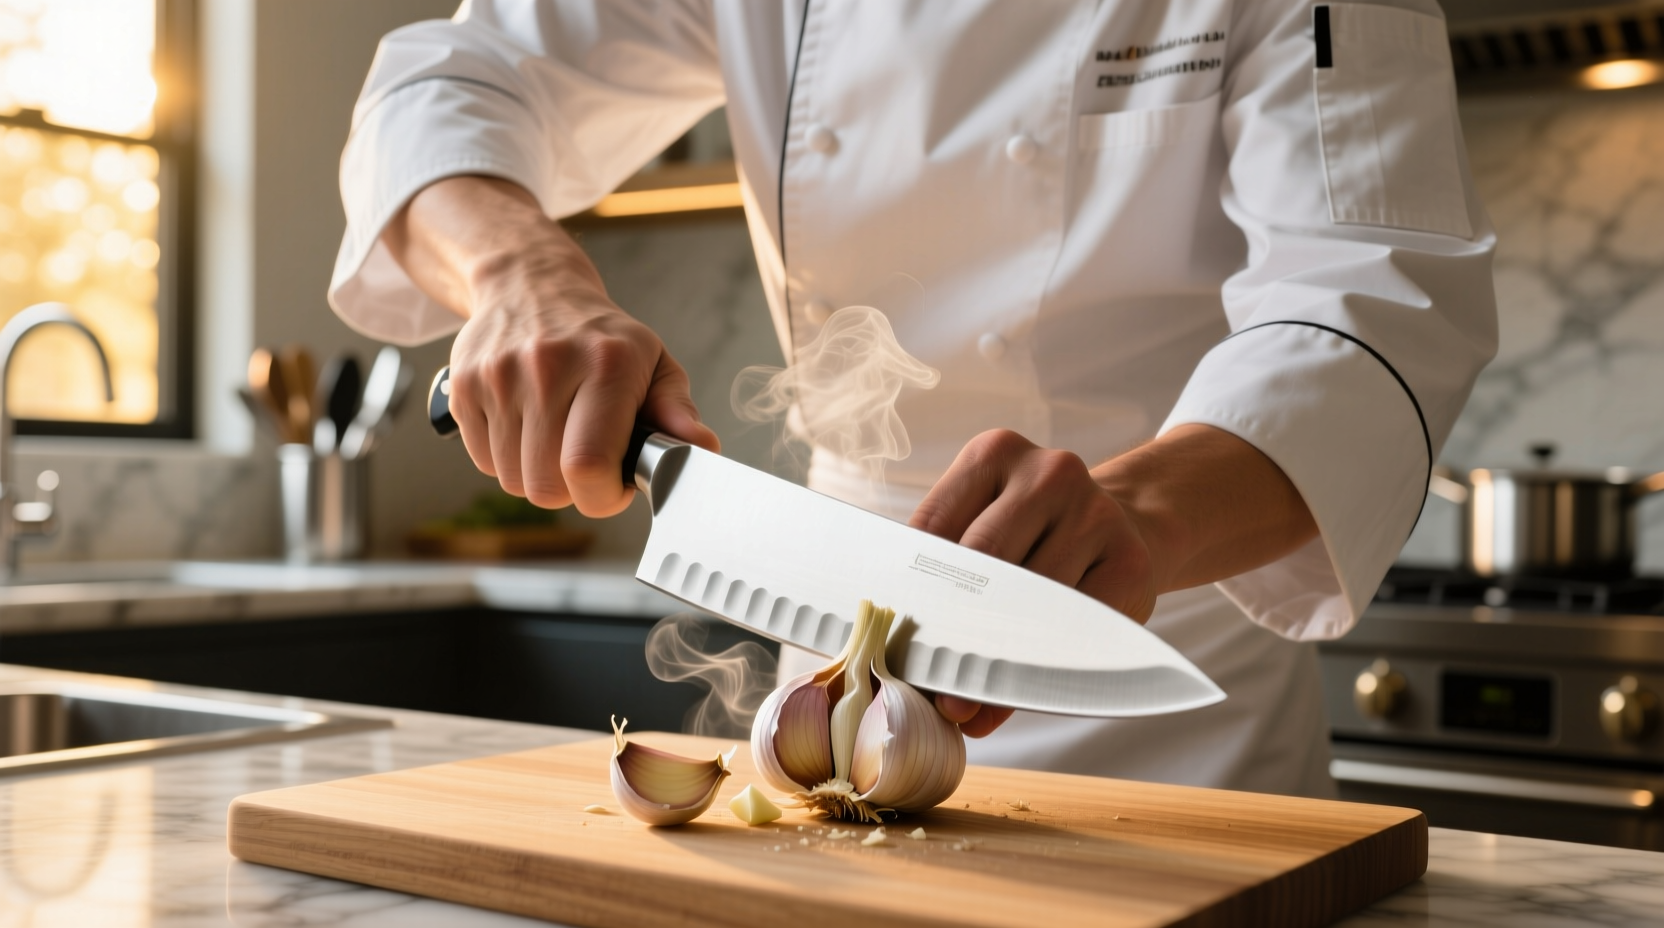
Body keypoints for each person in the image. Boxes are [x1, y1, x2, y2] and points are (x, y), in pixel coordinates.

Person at [330, 0, 1496, 797]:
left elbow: (1371, 302)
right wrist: (520, 275)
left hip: (1157, 673)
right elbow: (450, 78)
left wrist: (1134, 516)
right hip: (840, 665)